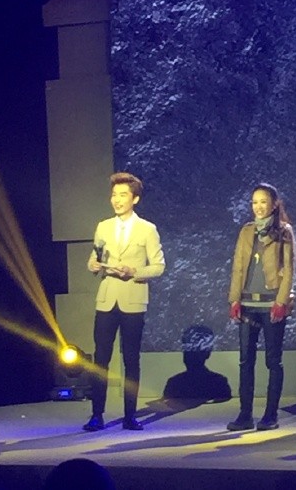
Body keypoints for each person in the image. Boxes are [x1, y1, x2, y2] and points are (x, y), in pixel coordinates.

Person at [83, 172, 165, 432]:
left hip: (133, 300)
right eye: (114, 195)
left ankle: (130, 415)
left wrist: (134, 271)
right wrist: (93, 265)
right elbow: (94, 258)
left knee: (131, 359)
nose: (117, 200)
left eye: (122, 195)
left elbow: (159, 266)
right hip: (107, 299)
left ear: (135, 198)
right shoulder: (103, 226)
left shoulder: (147, 229)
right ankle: (97, 414)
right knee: (101, 358)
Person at [227, 183, 296, 431]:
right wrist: (234, 299)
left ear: (274, 204)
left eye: (263, 201)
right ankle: (245, 414)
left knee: (273, 360)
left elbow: (289, 269)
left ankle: (270, 415)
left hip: (272, 304)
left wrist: (281, 301)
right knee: (246, 361)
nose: (258, 207)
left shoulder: (284, 231)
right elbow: (238, 266)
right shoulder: (246, 231)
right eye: (254, 202)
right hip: (247, 303)